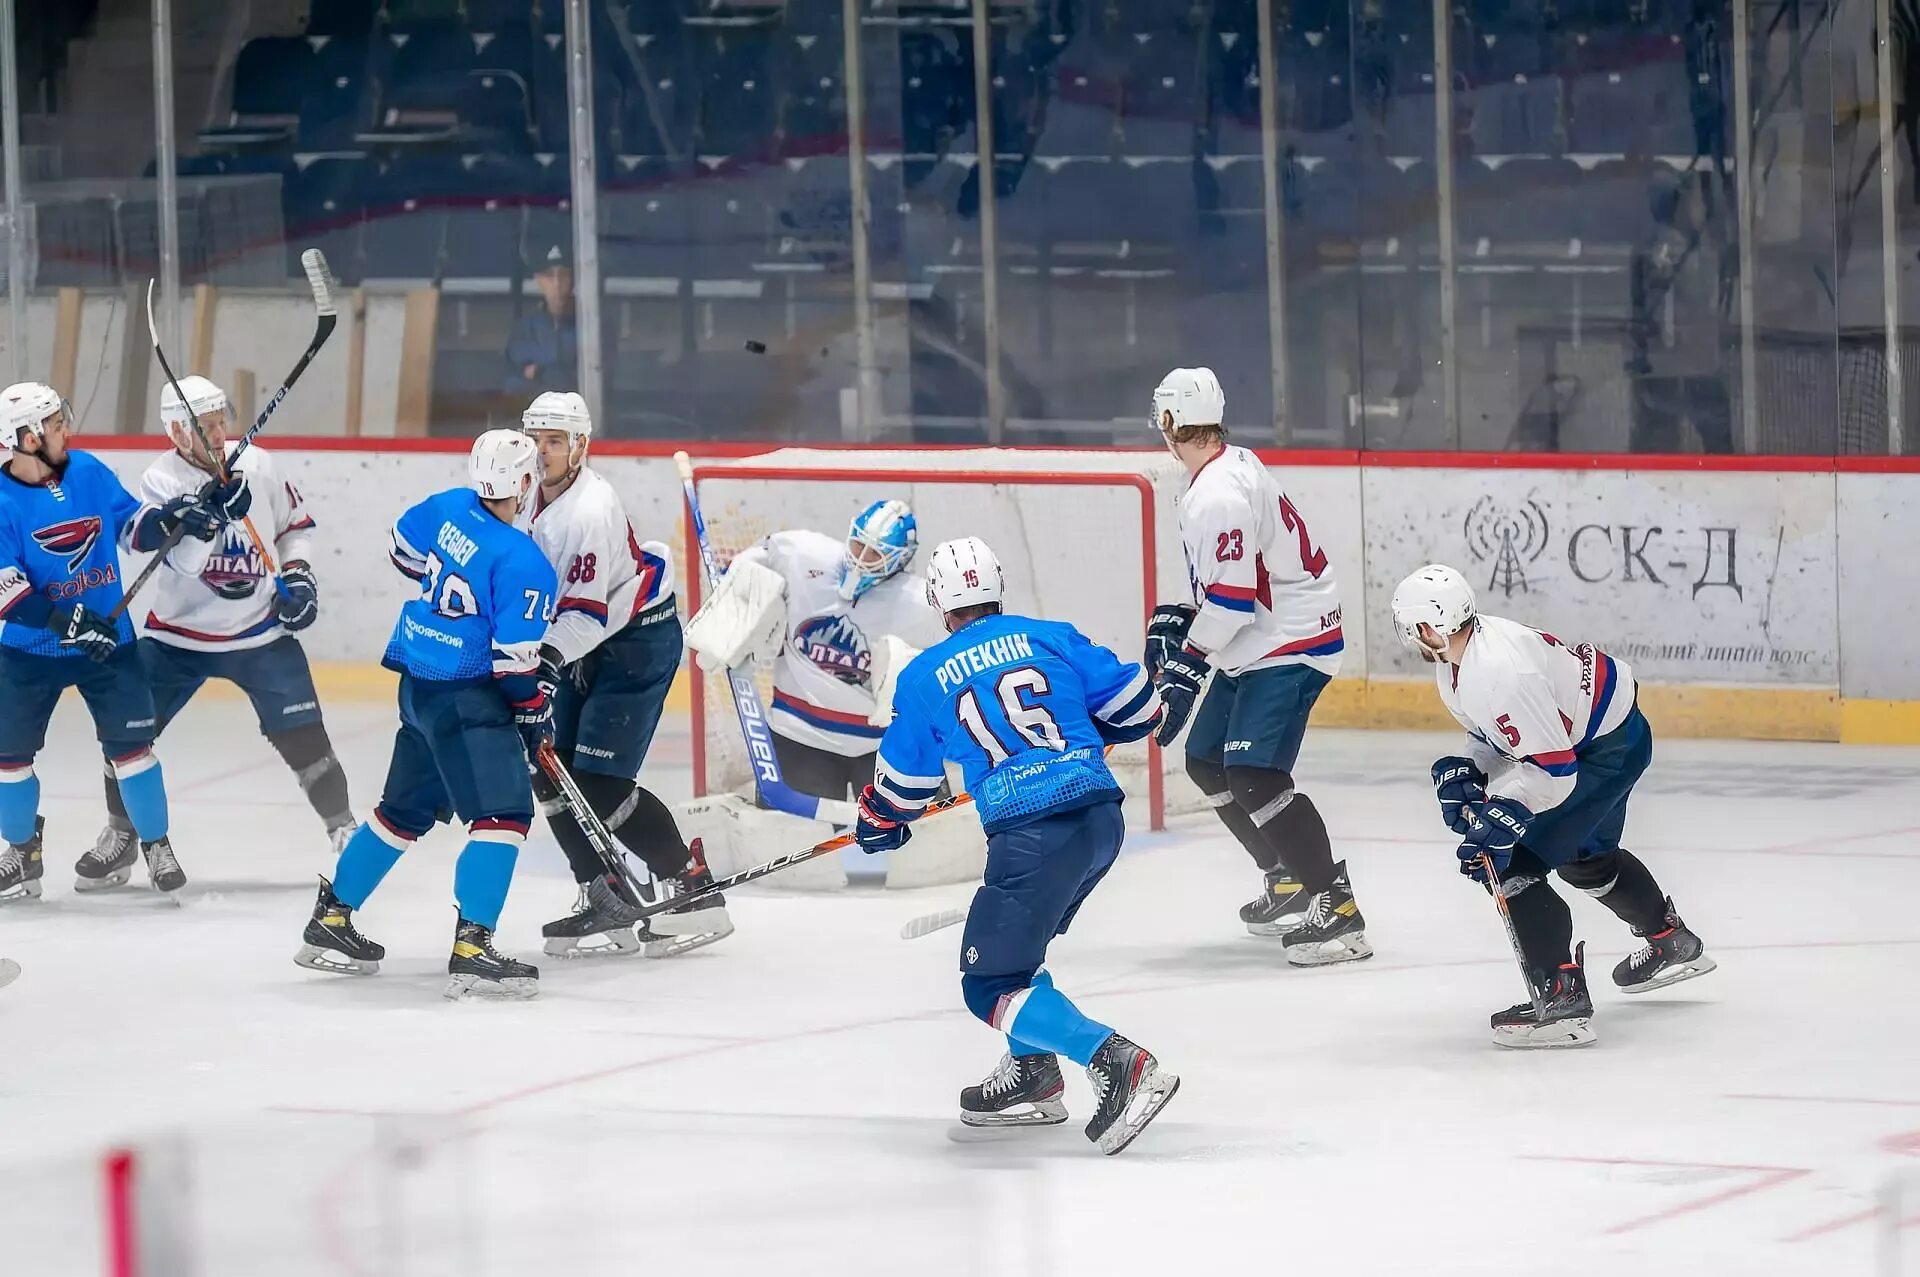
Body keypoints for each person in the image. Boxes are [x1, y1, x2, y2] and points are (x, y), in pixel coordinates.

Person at [855, 536, 1179, 1156]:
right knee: (1018, 959)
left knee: (988, 983)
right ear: (996, 589)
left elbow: (904, 787)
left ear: (937, 603)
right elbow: (1139, 713)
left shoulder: (923, 676)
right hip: (1100, 821)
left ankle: (1117, 1061)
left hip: (1031, 837)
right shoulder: (1051, 635)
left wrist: (881, 819)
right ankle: (1033, 1074)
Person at [1389, 563, 1717, 1048]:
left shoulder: (1498, 672)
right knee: (1586, 861)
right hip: (1609, 737)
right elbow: (1501, 737)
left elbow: (1556, 772)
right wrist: (1475, 772)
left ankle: (1562, 999)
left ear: (1424, 627)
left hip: (1603, 751)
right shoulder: (1462, 662)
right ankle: (1672, 942)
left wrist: (1504, 813)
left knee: (1511, 864)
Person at [294, 430, 558, 1000]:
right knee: (504, 815)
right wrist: (536, 708)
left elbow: (401, 551)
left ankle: (331, 920)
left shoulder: (445, 508)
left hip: (418, 683)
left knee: (402, 811)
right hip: (467, 698)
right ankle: (473, 949)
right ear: (525, 483)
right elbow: (512, 671)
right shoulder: (525, 562)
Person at [84, 375, 353, 875]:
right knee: (124, 732)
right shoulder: (160, 480)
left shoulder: (258, 463)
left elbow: (294, 526)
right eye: (202, 426)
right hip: (176, 637)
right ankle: (122, 833)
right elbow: (183, 564)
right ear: (176, 432)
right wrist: (208, 512)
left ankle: (346, 831)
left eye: (220, 422)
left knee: (306, 739)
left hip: (259, 631)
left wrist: (298, 576)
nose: (216, 434)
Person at [1145, 367, 1366, 965]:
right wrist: (1193, 624)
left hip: (1290, 639)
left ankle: (1337, 907)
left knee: (1254, 774)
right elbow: (1238, 585)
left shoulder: (1216, 492)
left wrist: (1189, 659)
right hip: (1260, 634)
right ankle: (1288, 879)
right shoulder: (1229, 465)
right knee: (1206, 762)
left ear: (1169, 423)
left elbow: (1234, 598)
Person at [512, 390, 732, 959]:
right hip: (585, 639)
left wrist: (546, 665)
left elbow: (588, 614)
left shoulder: (589, 510)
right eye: (534, 439)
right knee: (549, 768)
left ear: (580, 445)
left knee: (601, 783)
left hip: (635, 639)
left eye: (554, 441)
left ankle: (690, 885)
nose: (541, 452)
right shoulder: (528, 490)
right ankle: (604, 896)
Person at [0, 381, 225, 902]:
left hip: (111, 643)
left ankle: (155, 844)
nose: (67, 430)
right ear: (28, 438)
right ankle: (21, 853)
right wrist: (71, 625)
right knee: (9, 758)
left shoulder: (88, 471)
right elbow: (8, 593)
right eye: (56, 424)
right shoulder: (3, 501)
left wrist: (173, 517)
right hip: (32, 651)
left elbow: (130, 527)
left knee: (133, 751)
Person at [690, 499, 947, 805]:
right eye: (857, 545)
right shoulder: (802, 555)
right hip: (800, 737)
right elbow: (758, 557)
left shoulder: (921, 605)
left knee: (921, 839)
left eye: (875, 554)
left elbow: (958, 657)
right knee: (790, 840)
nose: (861, 559)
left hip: (883, 747)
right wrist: (741, 584)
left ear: (900, 559)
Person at [503, 244, 578, 395]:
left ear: (573, 280)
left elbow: (591, 383)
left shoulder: (591, 325)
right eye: (550, 276)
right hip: (535, 414)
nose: (557, 284)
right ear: (539, 281)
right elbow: (510, 385)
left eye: (563, 275)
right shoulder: (526, 329)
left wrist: (538, 373)